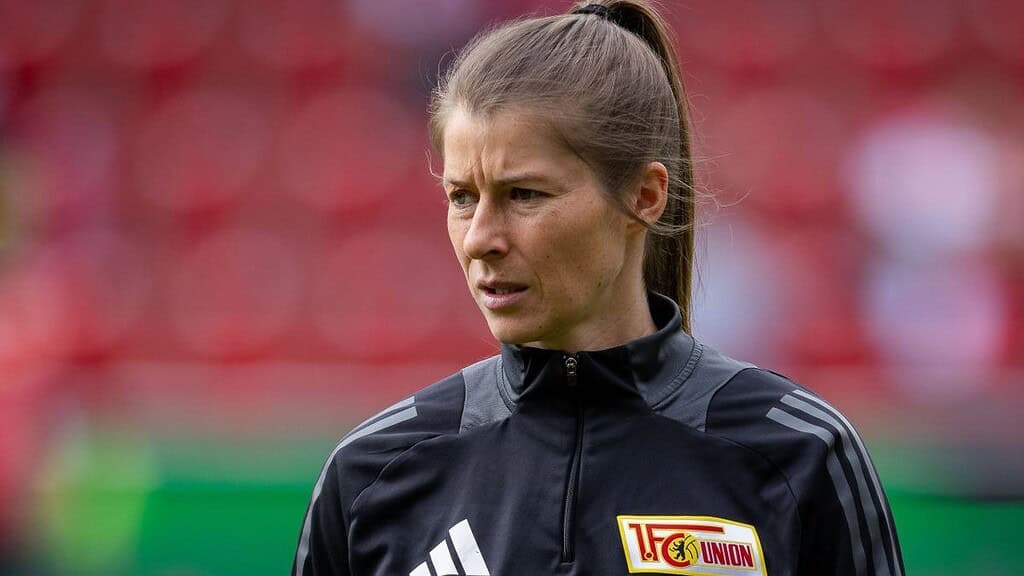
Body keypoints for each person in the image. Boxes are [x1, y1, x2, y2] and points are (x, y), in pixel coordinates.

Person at [292, 1, 904, 575]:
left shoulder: (798, 453)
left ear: (645, 196)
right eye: (461, 197)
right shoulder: (373, 475)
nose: (480, 238)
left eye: (524, 195)